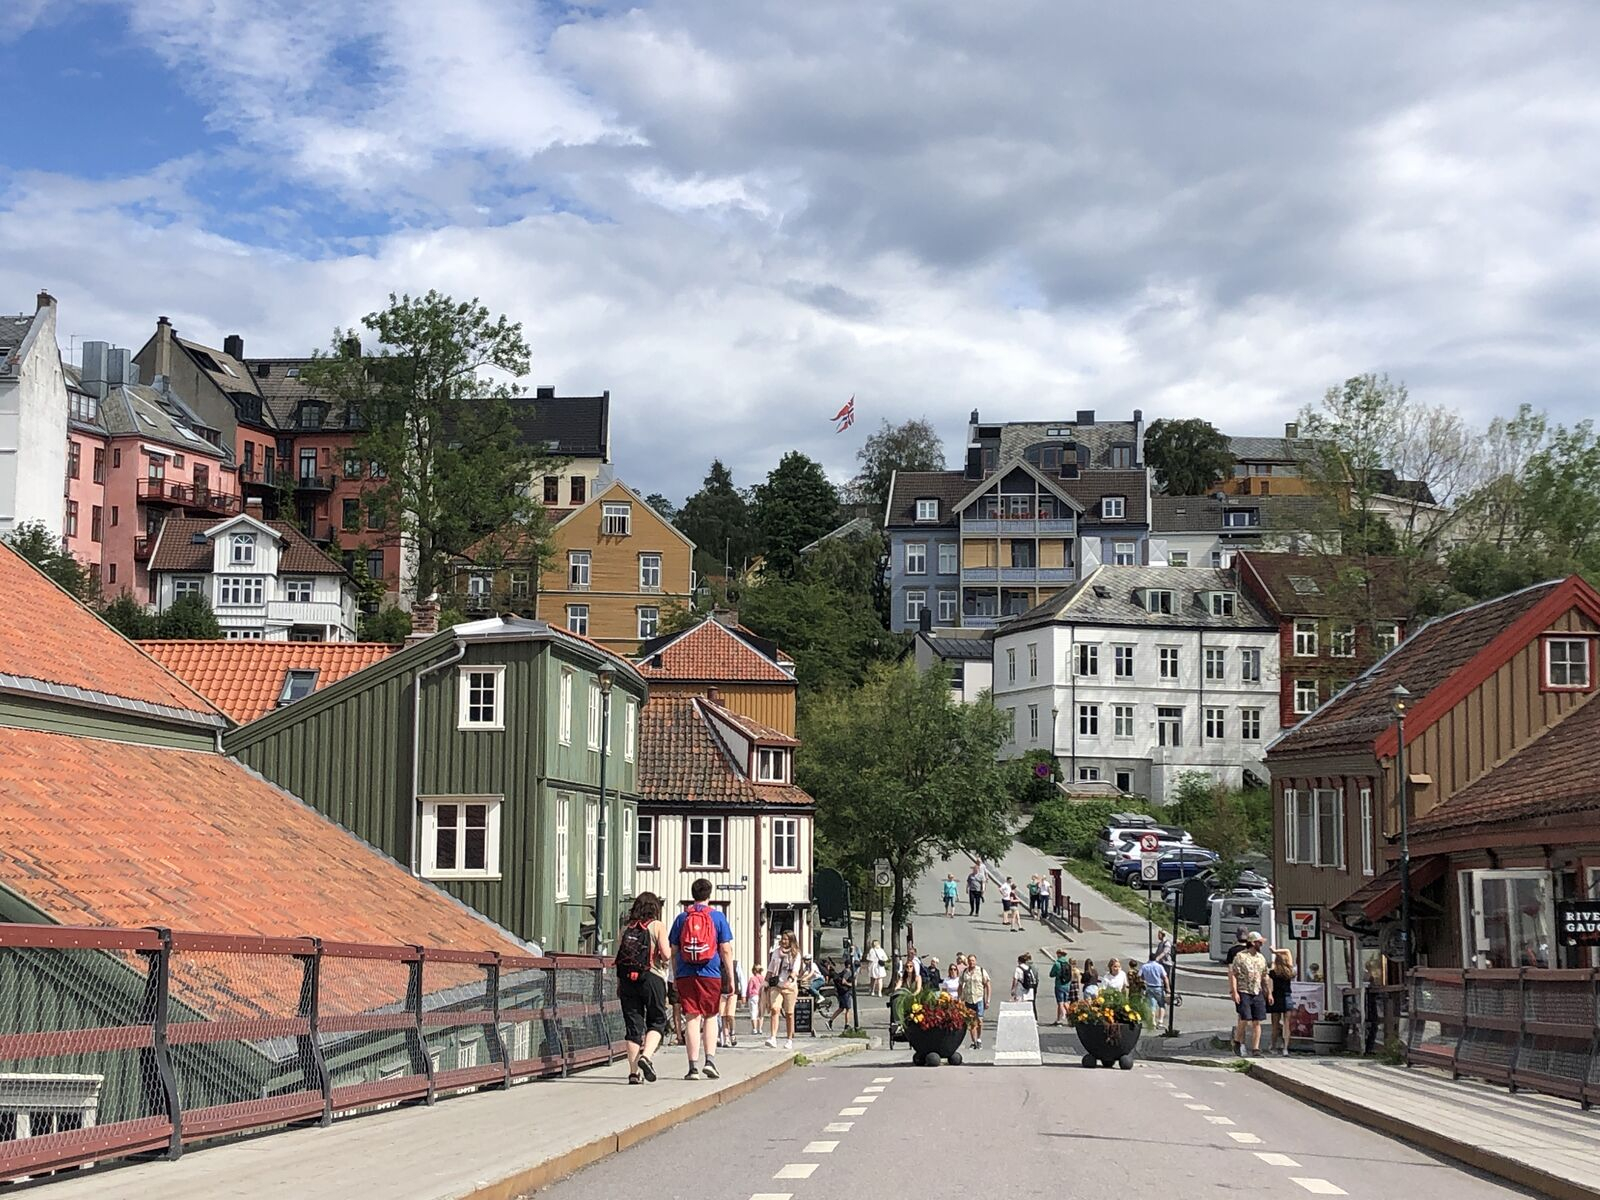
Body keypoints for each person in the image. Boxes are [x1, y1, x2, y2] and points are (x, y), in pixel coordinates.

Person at [668, 878, 735, 1080]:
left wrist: (675, 975)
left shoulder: (682, 918)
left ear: (693, 894)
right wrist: (730, 977)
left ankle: (692, 1068)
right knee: (710, 1016)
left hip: (686, 974)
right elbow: (725, 949)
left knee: (692, 1017)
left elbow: (674, 951)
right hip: (711, 973)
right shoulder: (717, 917)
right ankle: (710, 1061)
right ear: (709, 895)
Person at [614, 891, 673, 1084]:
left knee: (633, 1027)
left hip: (627, 981)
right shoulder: (657, 926)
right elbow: (666, 955)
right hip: (652, 978)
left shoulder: (625, 929)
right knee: (657, 1021)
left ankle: (633, 1073)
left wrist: (619, 984)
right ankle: (646, 1057)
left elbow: (620, 958)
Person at [1230, 931, 1271, 1057]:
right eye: (1259, 942)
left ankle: (1255, 1048)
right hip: (1244, 990)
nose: (1261, 945)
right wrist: (1234, 991)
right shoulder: (1240, 957)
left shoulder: (1261, 958)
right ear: (1253, 943)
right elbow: (1234, 974)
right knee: (1245, 1018)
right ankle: (1237, 1041)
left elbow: (1265, 976)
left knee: (1257, 1021)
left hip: (1257, 991)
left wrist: (1269, 993)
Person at [764, 930, 801, 1050]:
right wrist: (766, 981)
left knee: (789, 1014)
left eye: (786, 939)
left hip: (789, 987)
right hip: (777, 985)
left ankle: (789, 1039)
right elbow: (770, 968)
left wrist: (790, 980)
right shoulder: (776, 952)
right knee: (775, 1009)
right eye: (783, 939)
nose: (783, 941)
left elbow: (795, 970)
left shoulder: (795, 954)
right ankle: (773, 1037)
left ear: (791, 941)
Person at [1267, 947, 1295, 1056]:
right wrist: (1275, 951)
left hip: (1276, 998)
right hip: (1287, 997)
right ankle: (1285, 1048)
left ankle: (1273, 1046)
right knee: (1287, 1024)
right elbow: (1288, 951)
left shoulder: (1273, 973)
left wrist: (1269, 995)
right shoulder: (1290, 971)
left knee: (1275, 1024)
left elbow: (1270, 987)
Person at [960, 954, 992, 1048]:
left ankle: (979, 1038)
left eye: (973, 960)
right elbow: (960, 985)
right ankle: (974, 1042)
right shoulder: (964, 972)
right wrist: (959, 998)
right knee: (971, 1022)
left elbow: (988, 985)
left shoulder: (981, 971)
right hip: (968, 999)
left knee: (980, 1021)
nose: (971, 962)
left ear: (975, 961)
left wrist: (988, 1000)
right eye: (970, 960)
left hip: (979, 999)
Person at [1138, 952, 1169, 1027]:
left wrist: (1144, 980)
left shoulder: (1144, 966)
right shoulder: (1159, 966)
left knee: (1152, 1005)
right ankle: (1160, 1021)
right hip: (1158, 987)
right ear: (1155, 958)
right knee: (1161, 1004)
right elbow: (1165, 977)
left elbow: (1139, 976)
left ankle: (1153, 1021)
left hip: (1149, 987)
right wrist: (1168, 988)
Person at [1048, 950, 1076, 1024]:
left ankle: (1066, 1016)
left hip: (1059, 985)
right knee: (1065, 1002)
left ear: (1059, 954)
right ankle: (1060, 1019)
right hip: (1067, 985)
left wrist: (1057, 974)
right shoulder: (1068, 964)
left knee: (1060, 1003)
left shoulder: (1057, 963)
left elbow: (1051, 974)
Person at [746, 966, 765, 1034]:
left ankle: (754, 1029)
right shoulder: (763, 978)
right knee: (761, 1013)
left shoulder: (752, 979)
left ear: (754, 971)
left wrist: (747, 996)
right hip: (762, 996)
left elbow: (749, 989)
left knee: (753, 1012)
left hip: (753, 996)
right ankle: (760, 1029)